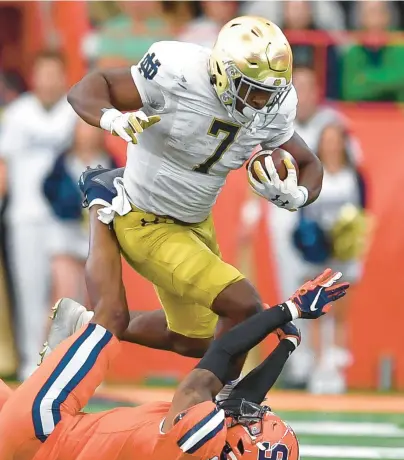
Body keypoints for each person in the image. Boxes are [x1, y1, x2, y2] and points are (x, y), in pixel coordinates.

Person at [63, 16, 323, 397]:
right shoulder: (178, 72)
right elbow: (89, 87)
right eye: (252, 91)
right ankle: (208, 404)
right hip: (147, 219)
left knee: (196, 341)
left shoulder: (272, 106)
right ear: (222, 71)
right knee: (245, 306)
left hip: (196, 222)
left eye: (270, 92)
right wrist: (112, 118)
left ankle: (83, 324)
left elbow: (309, 163)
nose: (262, 102)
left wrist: (298, 196)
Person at [0, 268, 349, 460]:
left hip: (44, 428)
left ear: (243, 446)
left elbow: (223, 351)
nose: (252, 414)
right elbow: (241, 399)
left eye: (255, 423)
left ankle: (101, 207)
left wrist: (291, 309)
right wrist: (286, 346)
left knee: (110, 319)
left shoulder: (202, 434)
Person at [0, 50, 77, 380]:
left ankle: (65, 365)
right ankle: (31, 364)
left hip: (66, 218)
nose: (48, 80)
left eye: (54, 73)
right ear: (34, 76)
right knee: (29, 291)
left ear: (63, 76)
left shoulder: (75, 112)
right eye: (43, 73)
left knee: (69, 296)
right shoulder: (18, 114)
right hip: (26, 215)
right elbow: (4, 165)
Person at [293, 124, 368, 394]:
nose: (332, 146)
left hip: (343, 253)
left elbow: (362, 212)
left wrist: (350, 239)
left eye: (336, 140)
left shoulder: (354, 176)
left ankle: (336, 366)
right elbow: (302, 209)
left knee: (340, 312)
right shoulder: (313, 173)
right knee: (314, 309)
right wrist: (311, 240)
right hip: (317, 251)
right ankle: (316, 365)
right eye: (327, 140)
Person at [43, 119, 118, 308]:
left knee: (91, 299)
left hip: (95, 237)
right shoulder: (63, 161)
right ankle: (54, 337)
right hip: (66, 233)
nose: (86, 135)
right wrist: (67, 208)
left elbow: (121, 192)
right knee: (63, 296)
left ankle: (84, 335)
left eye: (91, 130)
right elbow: (48, 189)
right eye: (82, 130)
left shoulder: (108, 161)